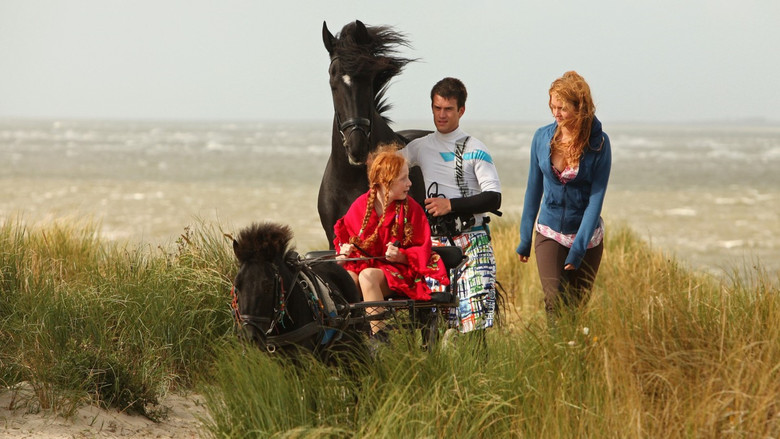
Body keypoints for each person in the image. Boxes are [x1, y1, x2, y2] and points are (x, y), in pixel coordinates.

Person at [400, 77, 502, 336]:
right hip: (436, 245)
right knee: (436, 326)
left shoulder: (475, 148)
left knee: (474, 328)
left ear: (461, 111)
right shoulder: (420, 147)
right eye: (437, 108)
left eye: (448, 109)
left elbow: (493, 198)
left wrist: (450, 205)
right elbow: (386, 172)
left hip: (473, 242)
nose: (441, 115)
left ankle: (477, 374)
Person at [515, 71, 611, 320]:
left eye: (562, 108)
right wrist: (525, 237)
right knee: (554, 303)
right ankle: (553, 353)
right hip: (549, 231)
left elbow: (595, 200)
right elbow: (533, 190)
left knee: (575, 313)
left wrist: (579, 248)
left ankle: (572, 357)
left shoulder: (599, 144)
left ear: (579, 108)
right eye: (552, 106)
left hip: (587, 240)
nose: (556, 114)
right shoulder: (542, 138)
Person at [333, 144, 449, 337]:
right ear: (385, 183)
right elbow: (344, 241)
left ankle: (379, 340)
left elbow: (423, 250)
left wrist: (401, 256)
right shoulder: (360, 206)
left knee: (367, 276)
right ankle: (347, 338)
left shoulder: (412, 209)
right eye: (403, 179)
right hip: (364, 266)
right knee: (348, 279)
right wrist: (343, 254)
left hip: (401, 271)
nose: (410, 183)